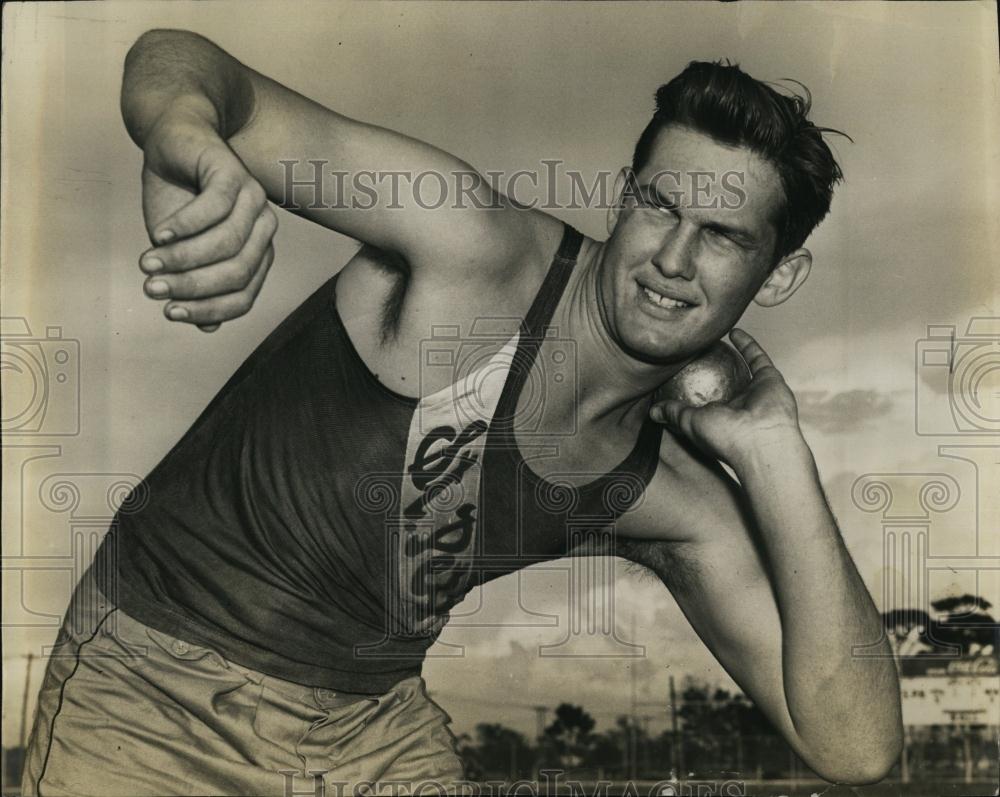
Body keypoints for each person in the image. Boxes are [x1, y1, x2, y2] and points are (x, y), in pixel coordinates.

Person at [22, 28, 903, 796]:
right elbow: (187, 64)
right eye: (660, 205)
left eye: (721, 235)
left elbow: (855, 746)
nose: (673, 258)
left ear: (777, 274)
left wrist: (777, 448)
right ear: (623, 193)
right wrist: (188, 137)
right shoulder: (472, 246)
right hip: (152, 689)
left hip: (369, 736)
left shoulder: (668, 495)